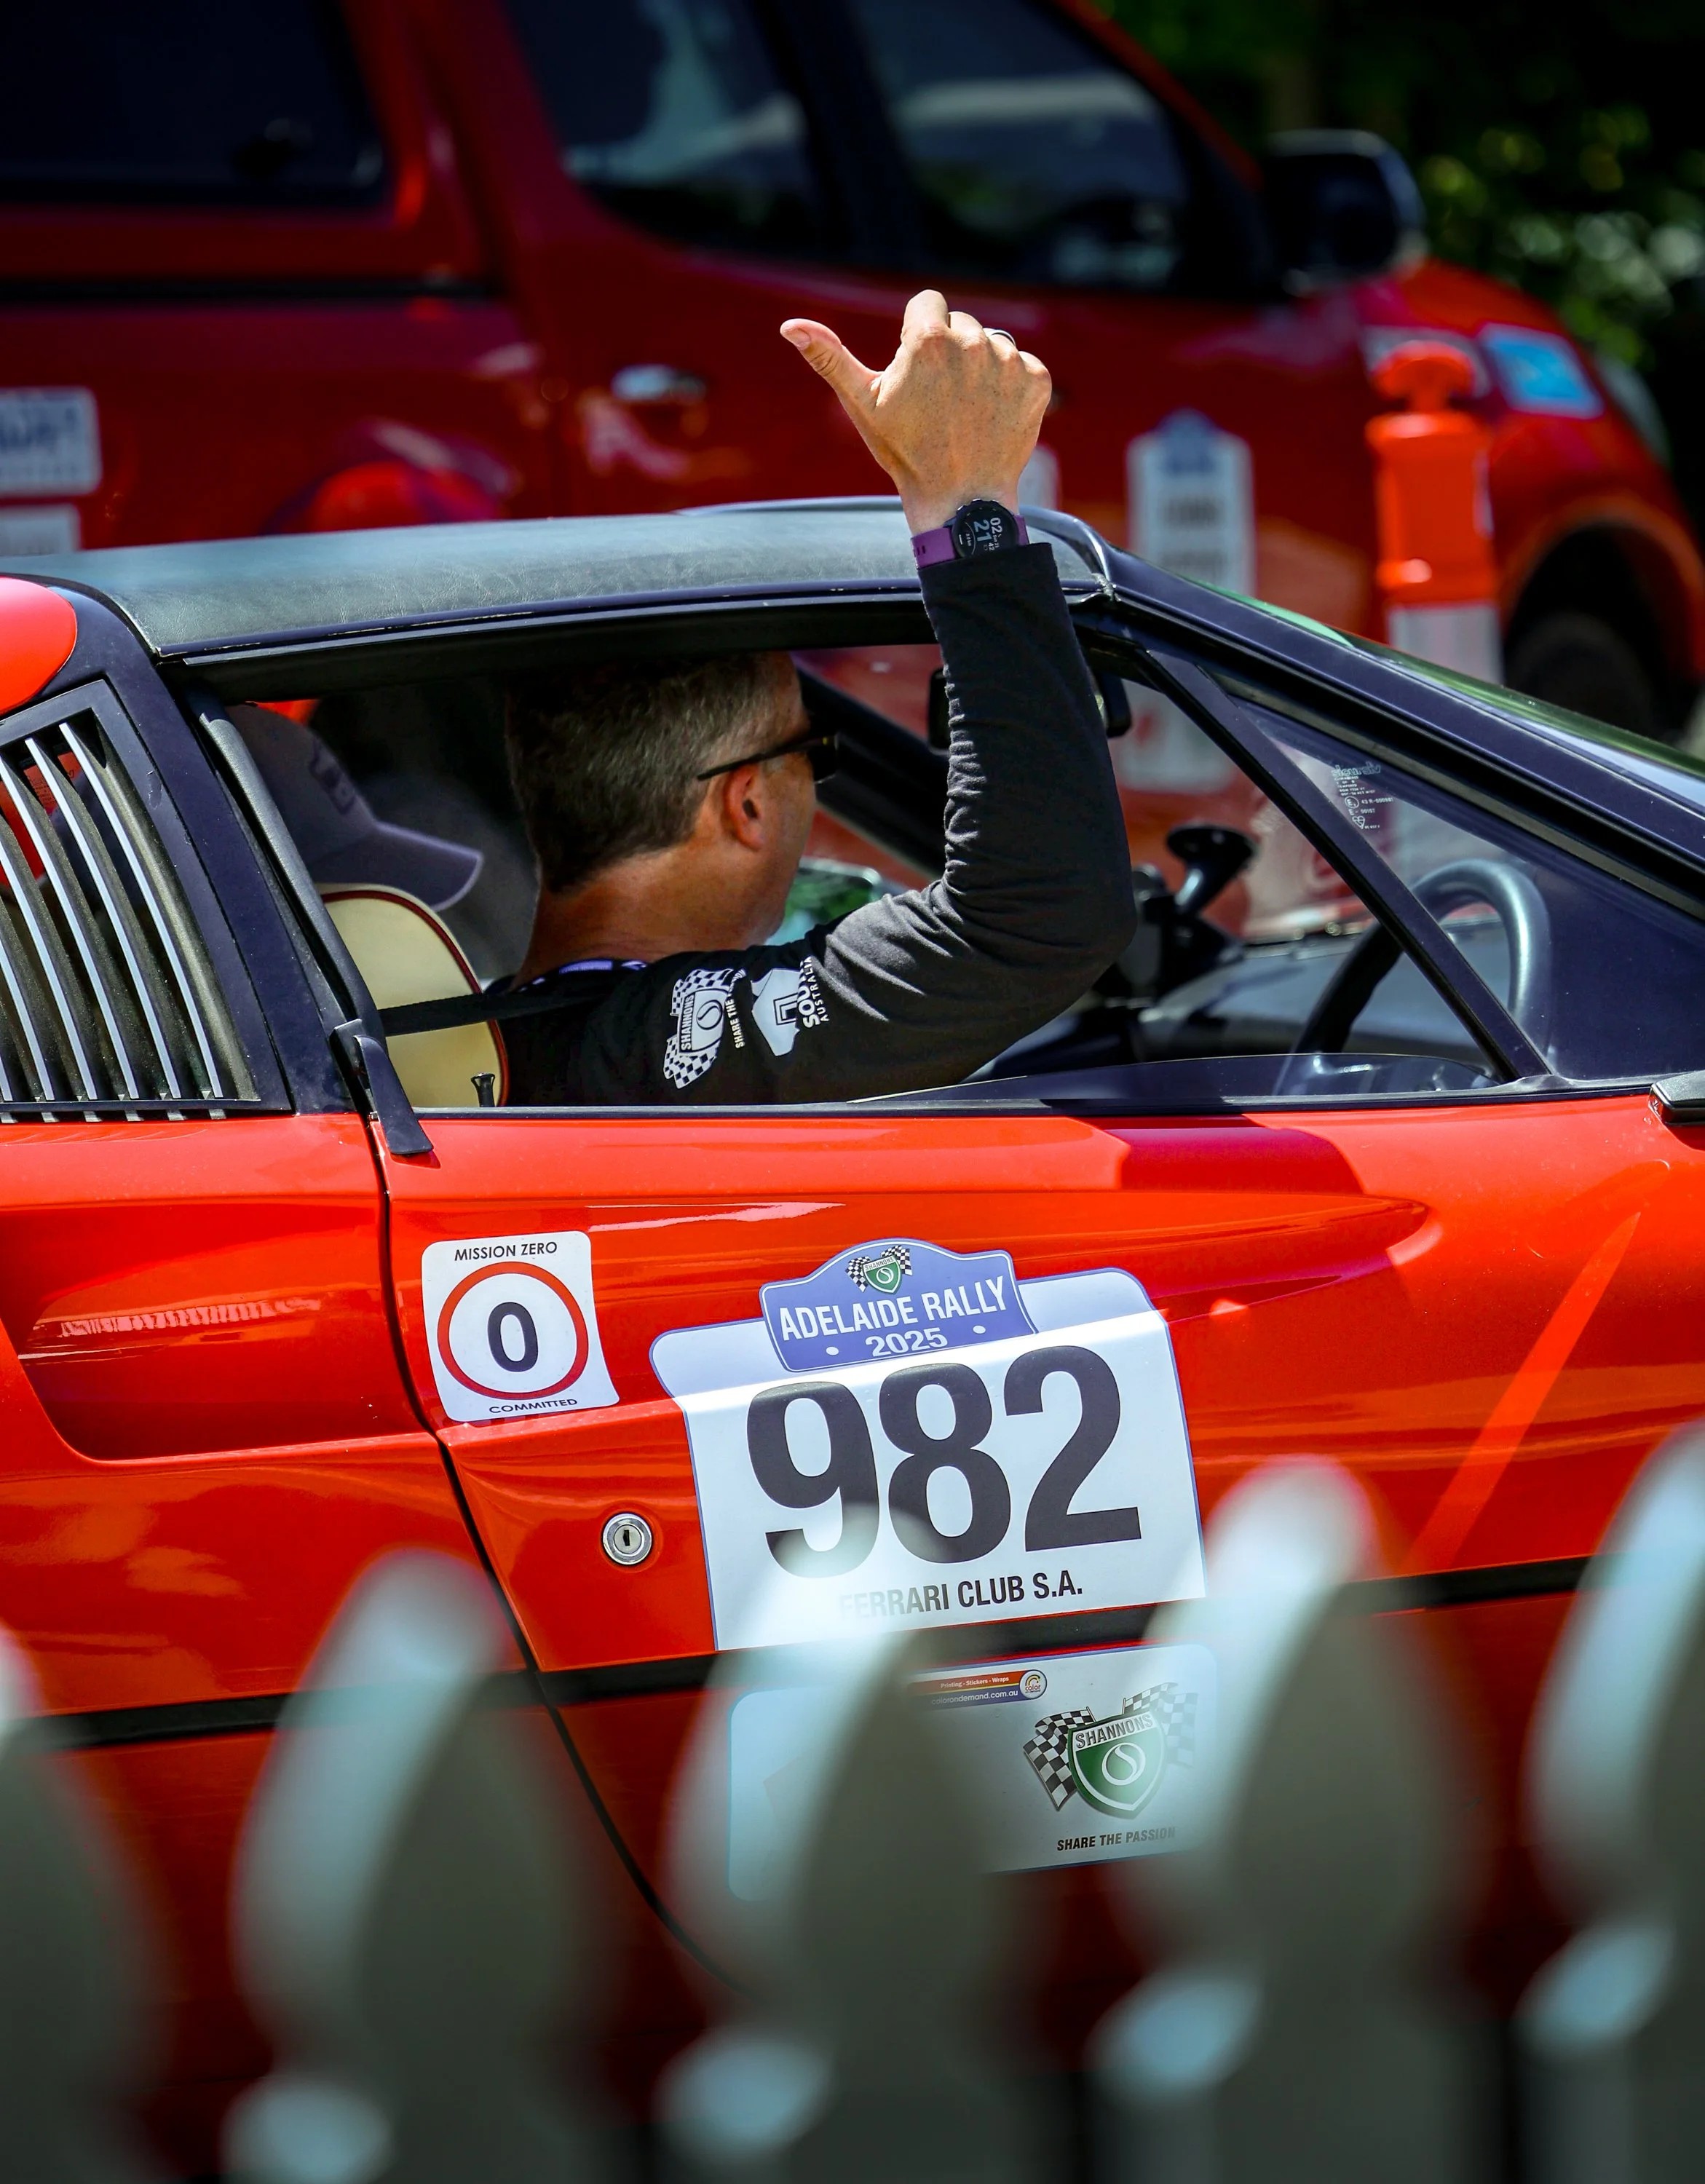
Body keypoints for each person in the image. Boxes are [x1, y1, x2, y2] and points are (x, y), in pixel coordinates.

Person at [493, 289, 1135, 1104]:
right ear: (745, 803)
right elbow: (1038, 919)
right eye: (810, 753)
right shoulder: (648, 1045)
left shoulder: (467, 1044)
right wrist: (964, 504)